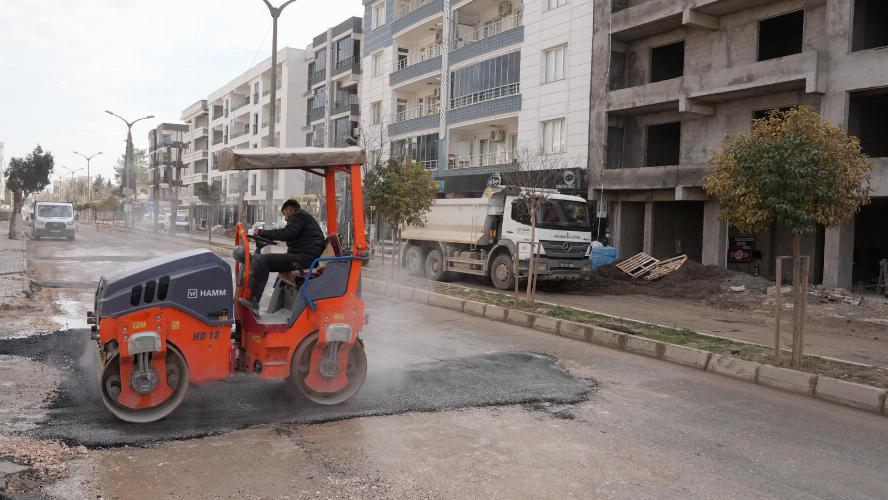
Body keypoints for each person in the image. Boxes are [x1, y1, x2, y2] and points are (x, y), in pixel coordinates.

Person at [237, 199, 326, 316]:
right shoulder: (303, 218)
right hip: (305, 257)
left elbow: (287, 233)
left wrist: (262, 232)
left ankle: (254, 301)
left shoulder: (298, 216)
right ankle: (274, 307)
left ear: (289, 209)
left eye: (284, 214)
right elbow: (292, 239)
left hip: (304, 259)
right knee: (266, 260)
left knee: (264, 260)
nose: (285, 218)